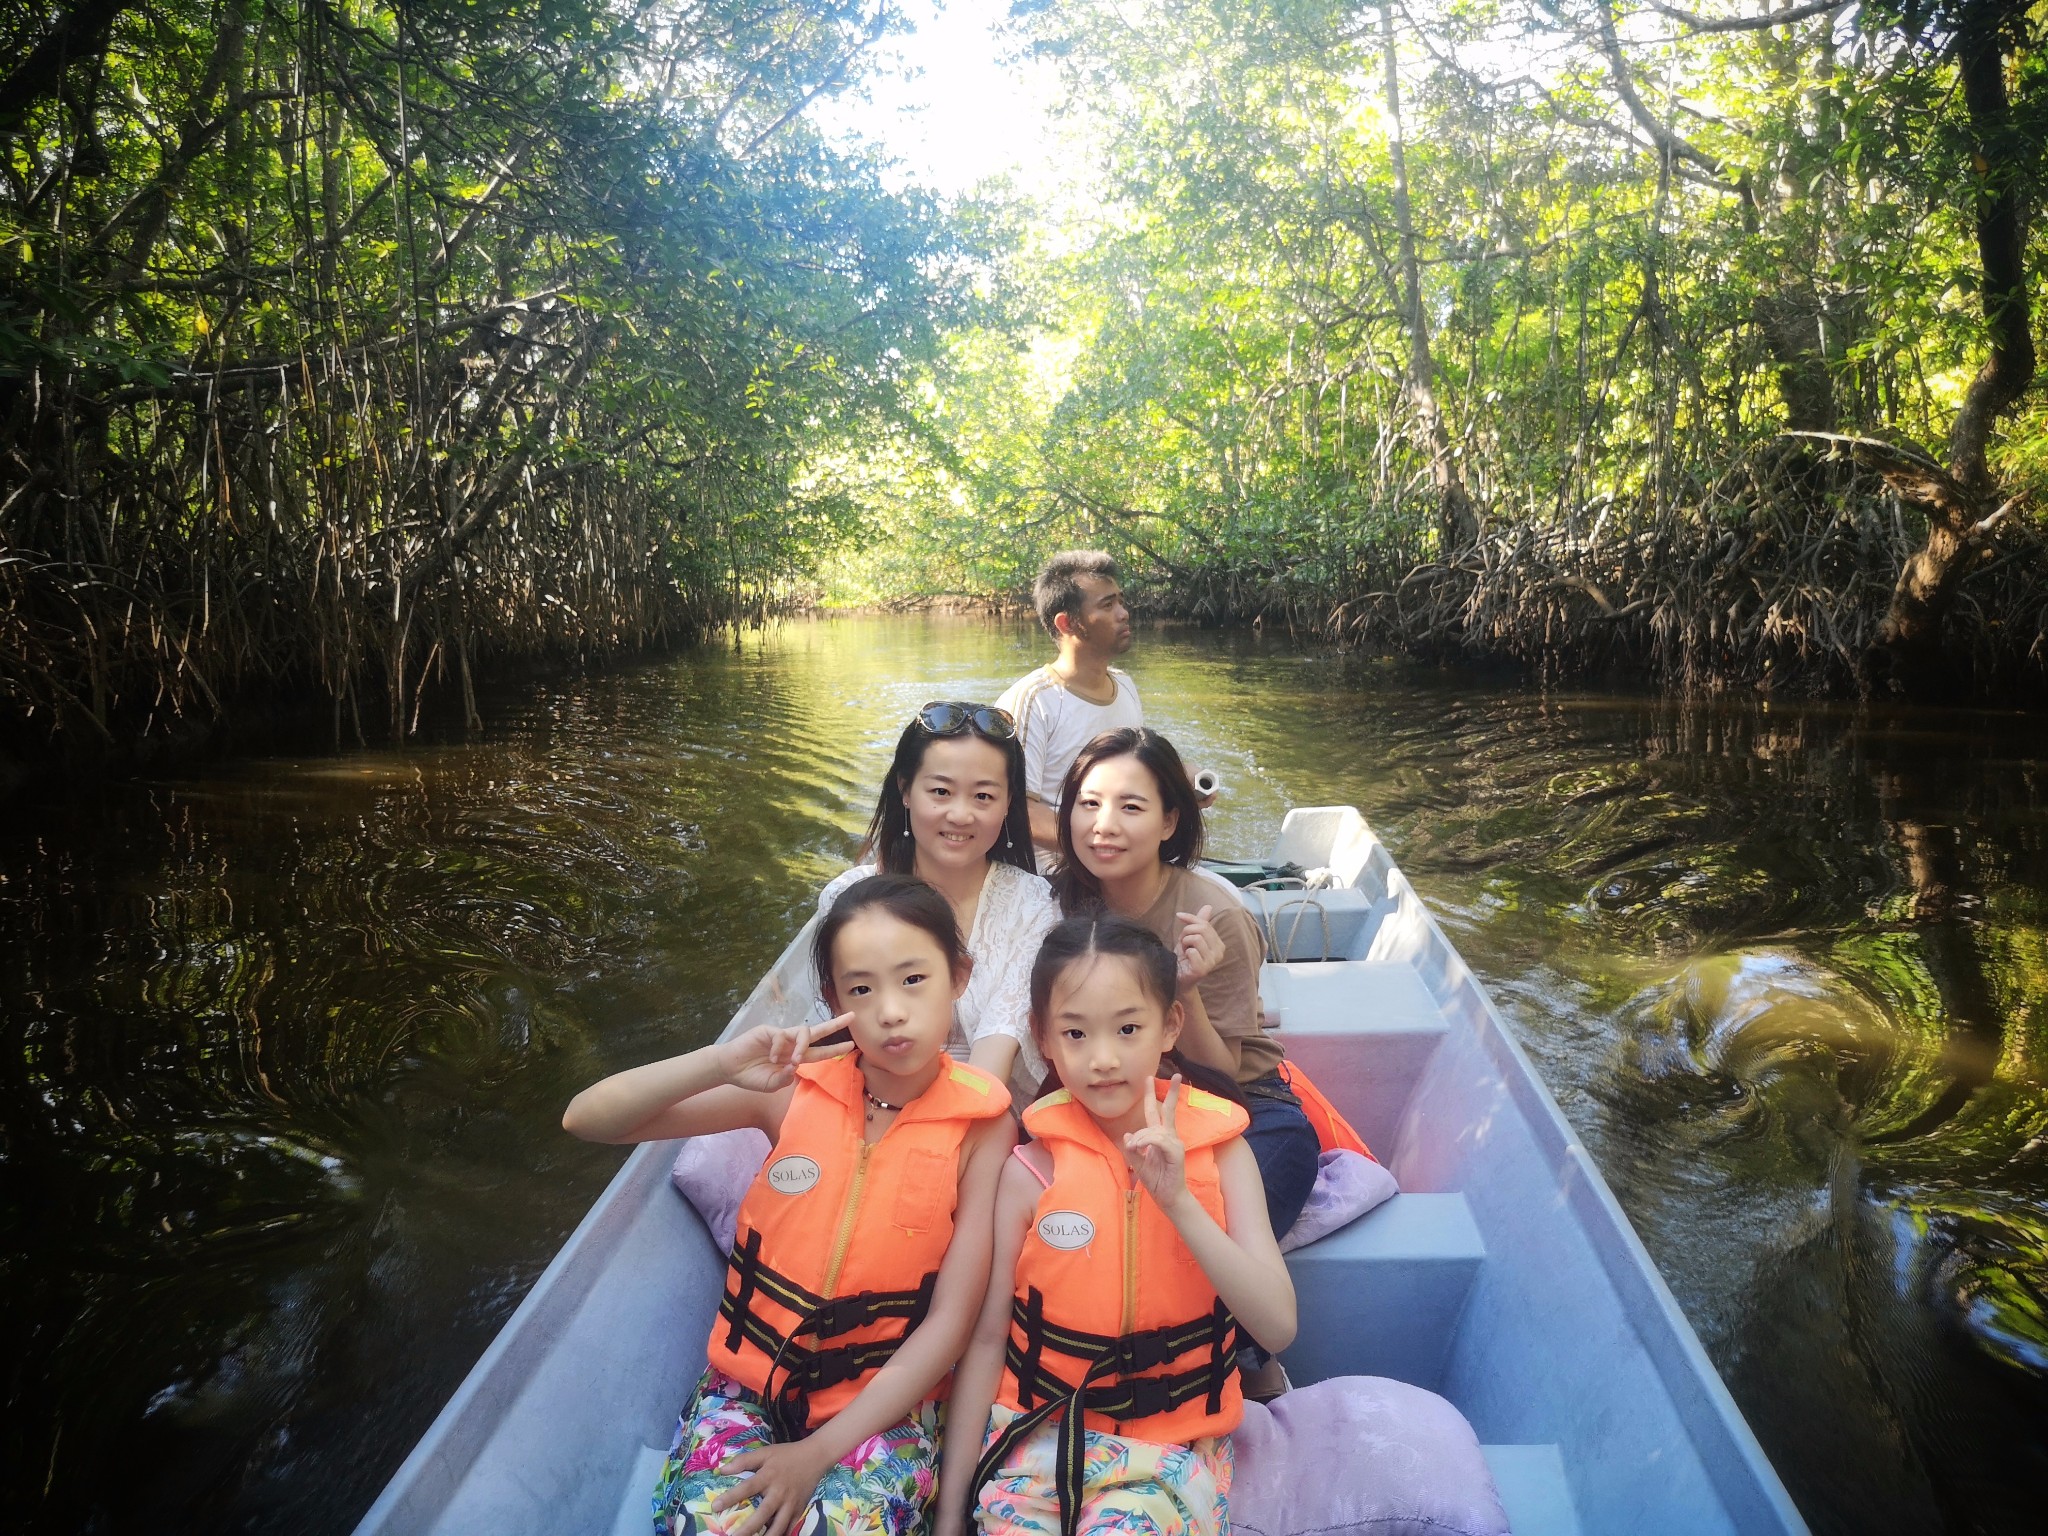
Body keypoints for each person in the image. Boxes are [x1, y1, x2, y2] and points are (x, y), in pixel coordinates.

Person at [563, 875, 1016, 1536]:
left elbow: (949, 1324)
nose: (890, 1010)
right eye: (861, 988)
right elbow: (589, 1119)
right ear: (833, 999)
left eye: (913, 980)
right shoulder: (787, 1091)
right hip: (744, 1389)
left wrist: (815, 1457)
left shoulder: (984, 1127)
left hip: (879, 1407)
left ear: (959, 976)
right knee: (708, 1525)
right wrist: (723, 1063)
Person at [934, 916, 1296, 1536]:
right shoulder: (1029, 1169)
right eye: (1075, 1033)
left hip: (1172, 1451)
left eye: (1128, 1029)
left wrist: (1179, 1201)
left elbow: (1277, 1327)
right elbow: (989, 1340)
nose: (1103, 1059)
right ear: (1044, 1038)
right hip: (1038, 1439)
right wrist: (949, 1514)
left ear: (1169, 1027)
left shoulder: (1225, 1154)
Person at [1048, 728, 1320, 1245]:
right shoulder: (1055, 905)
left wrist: (1186, 988)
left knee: (1196, 1234)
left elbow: (1224, 1076)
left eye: (1131, 807)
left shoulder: (1214, 917)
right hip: (1111, 1100)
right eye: (1089, 804)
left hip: (1242, 1107)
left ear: (1169, 820)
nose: (1103, 826)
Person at [815, 701, 1060, 1102]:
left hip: (987, 1112)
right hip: (873, 1101)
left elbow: (998, 1044)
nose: (961, 815)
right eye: (941, 792)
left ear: (1008, 803)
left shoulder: (1036, 906)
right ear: (905, 789)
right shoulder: (846, 900)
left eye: (983, 796)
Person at [996, 552, 1142, 854]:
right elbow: (1017, 812)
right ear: (1067, 623)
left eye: (1120, 601)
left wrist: (1184, 780)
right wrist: (1100, 845)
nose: (1123, 613)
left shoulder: (1125, 686)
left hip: (1114, 859)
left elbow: (1137, 772)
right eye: (1107, 604)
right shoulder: (1032, 701)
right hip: (1052, 873)